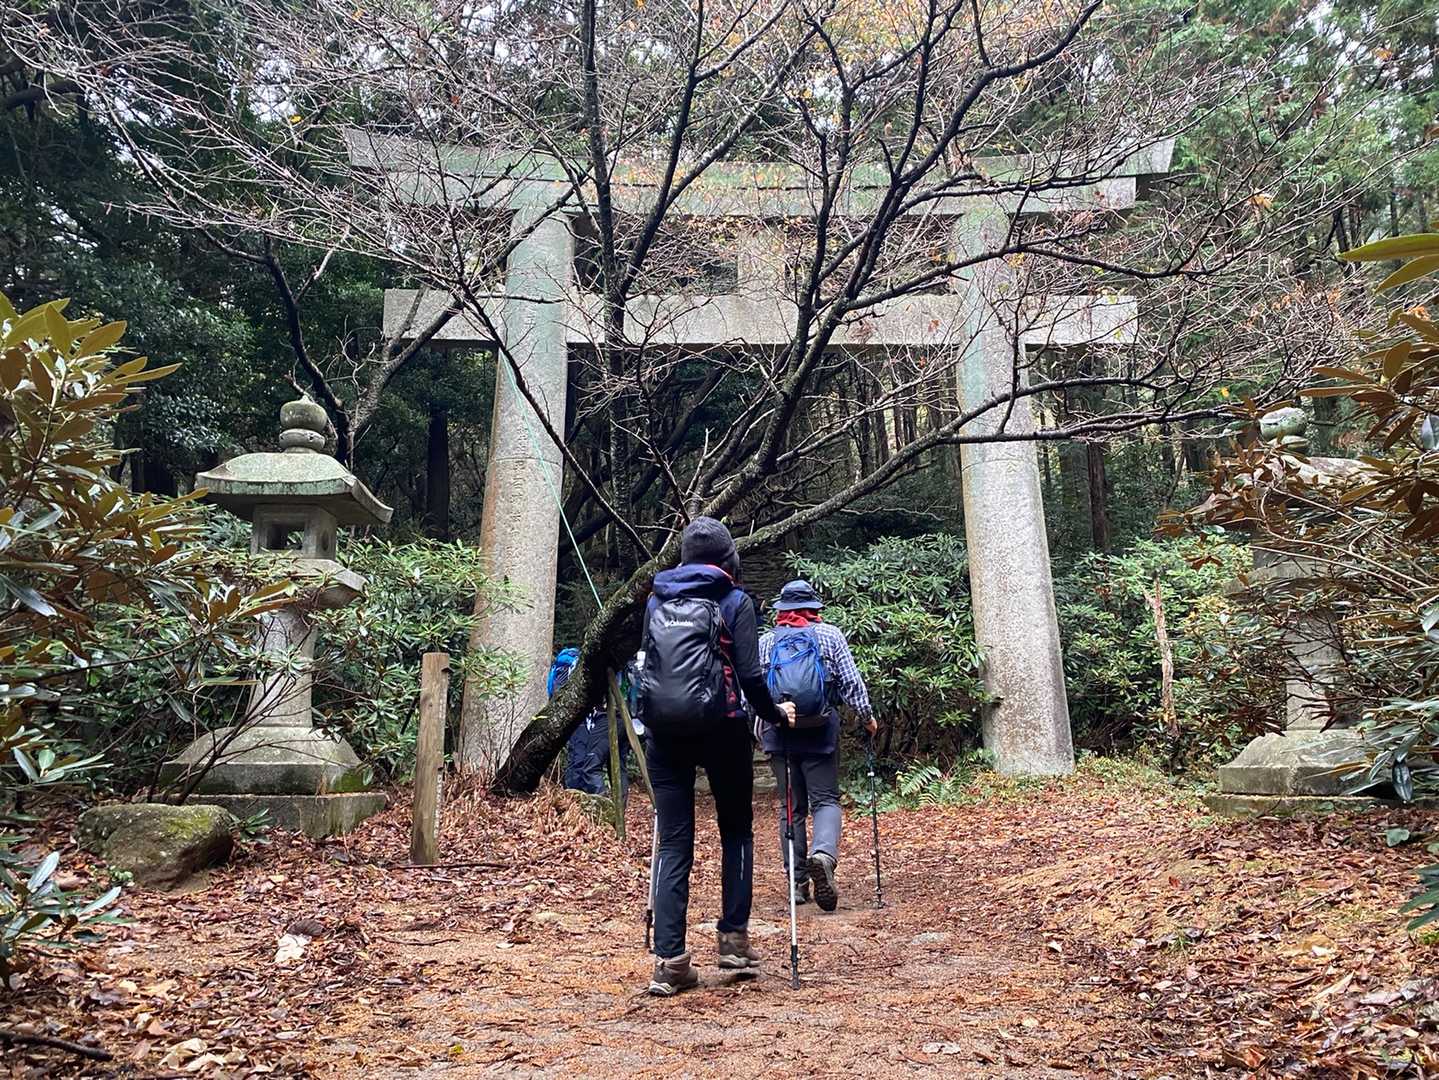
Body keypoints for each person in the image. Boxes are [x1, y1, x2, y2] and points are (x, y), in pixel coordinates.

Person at [638, 517, 795, 996]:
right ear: (728, 558)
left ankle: (669, 961)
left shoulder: (656, 600)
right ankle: (733, 941)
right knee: (737, 831)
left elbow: (648, 662)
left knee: (673, 841)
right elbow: (749, 676)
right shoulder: (735, 601)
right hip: (722, 729)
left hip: (664, 732)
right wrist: (775, 714)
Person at [758, 579, 875, 913]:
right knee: (825, 801)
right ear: (813, 608)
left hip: (780, 734)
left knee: (790, 808)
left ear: (782, 610)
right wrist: (866, 717)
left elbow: (754, 692)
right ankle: (823, 855)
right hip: (820, 732)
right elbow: (851, 682)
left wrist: (759, 727)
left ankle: (796, 883)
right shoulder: (829, 636)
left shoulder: (766, 642)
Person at [552, 648, 631, 799]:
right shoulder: (618, 661)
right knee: (617, 767)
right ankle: (617, 808)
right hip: (623, 716)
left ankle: (589, 806)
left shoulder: (588, 664)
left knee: (589, 765)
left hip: (604, 717)